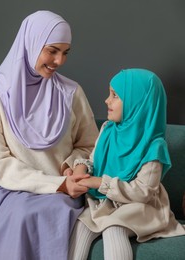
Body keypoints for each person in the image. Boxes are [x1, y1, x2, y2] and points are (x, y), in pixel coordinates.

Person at [0, 10, 99, 260]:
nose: (59, 61)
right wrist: (56, 184)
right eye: (52, 50)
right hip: (9, 187)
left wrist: (74, 167)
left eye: (65, 52)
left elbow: (89, 144)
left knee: (49, 210)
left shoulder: (71, 92)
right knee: (24, 212)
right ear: (31, 43)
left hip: (65, 189)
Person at [68, 68, 185, 260]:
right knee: (81, 226)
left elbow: (142, 192)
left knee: (114, 228)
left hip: (141, 205)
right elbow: (93, 160)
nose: (107, 100)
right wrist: (82, 168)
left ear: (137, 102)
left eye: (115, 95)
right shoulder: (107, 130)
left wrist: (98, 183)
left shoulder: (154, 146)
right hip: (107, 202)